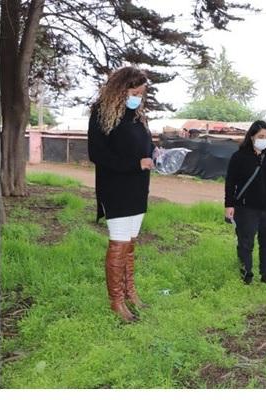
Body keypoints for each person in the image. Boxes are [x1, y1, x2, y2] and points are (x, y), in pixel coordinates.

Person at [88, 66, 155, 322]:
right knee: (118, 243)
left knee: (129, 244)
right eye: (134, 92)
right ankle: (116, 301)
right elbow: (98, 154)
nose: (138, 97)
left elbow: (143, 147)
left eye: (141, 93)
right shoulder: (100, 113)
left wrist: (153, 154)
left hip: (138, 188)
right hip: (115, 187)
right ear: (120, 89)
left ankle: (130, 293)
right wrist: (134, 164)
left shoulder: (137, 116)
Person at [224, 121, 266, 286]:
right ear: (252, 137)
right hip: (246, 208)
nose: (265, 139)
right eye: (261, 136)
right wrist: (229, 205)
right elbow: (230, 182)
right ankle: (246, 274)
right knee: (246, 242)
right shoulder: (239, 156)